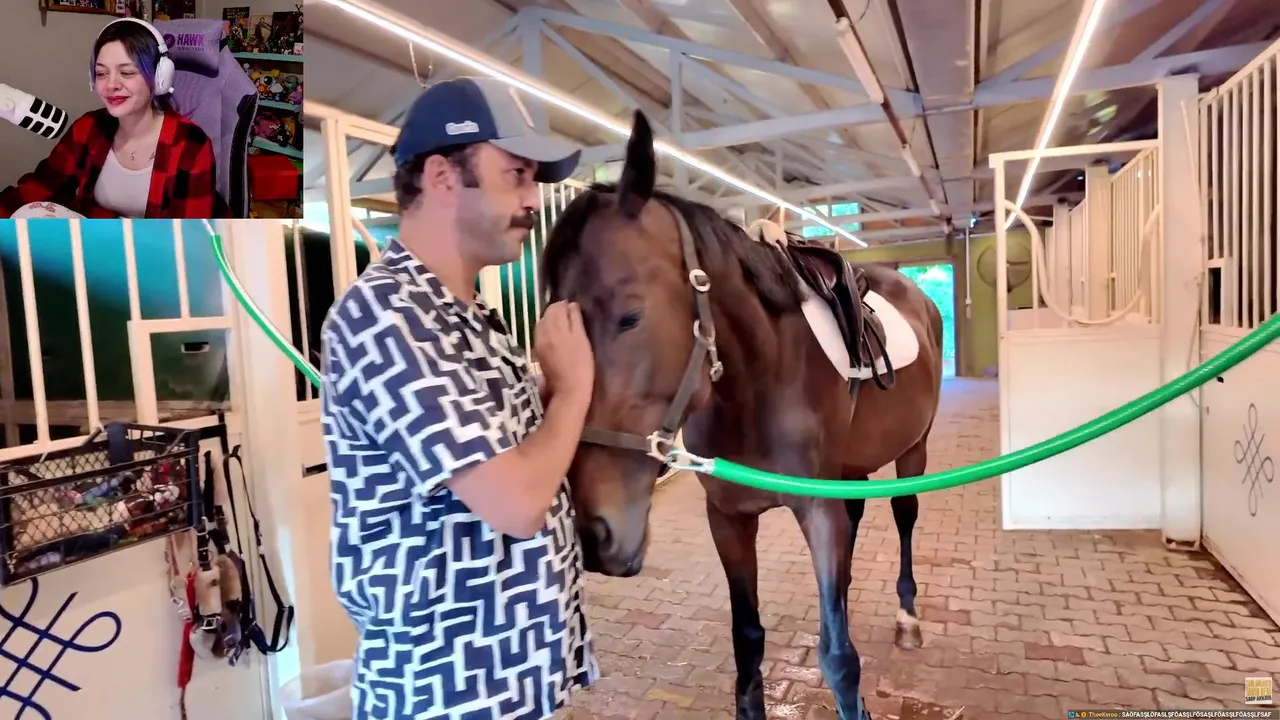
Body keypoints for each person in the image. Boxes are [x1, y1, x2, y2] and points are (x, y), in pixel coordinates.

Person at [318, 76, 599, 720]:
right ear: (443, 176)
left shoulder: (466, 316)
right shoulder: (388, 317)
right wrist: (572, 390)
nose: (532, 200)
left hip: (508, 682)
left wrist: (552, 391)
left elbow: (516, 457)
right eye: (516, 175)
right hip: (446, 694)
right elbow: (516, 503)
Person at [0, 17, 227, 219]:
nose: (111, 85)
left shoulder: (191, 145)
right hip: (97, 244)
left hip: (158, 250)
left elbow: (187, 238)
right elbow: (39, 189)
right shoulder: (88, 128)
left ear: (159, 77)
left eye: (126, 72)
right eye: (101, 73)